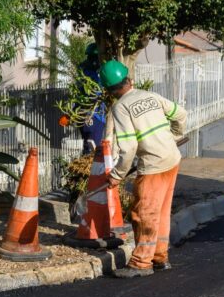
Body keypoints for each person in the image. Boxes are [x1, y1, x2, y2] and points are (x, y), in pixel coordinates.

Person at [99, 60, 187, 278]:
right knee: (162, 211)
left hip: (154, 166)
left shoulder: (121, 107)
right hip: (172, 159)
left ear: (110, 90)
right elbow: (181, 114)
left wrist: (116, 175)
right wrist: (172, 137)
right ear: (129, 80)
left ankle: (140, 263)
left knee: (144, 214)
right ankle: (160, 257)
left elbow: (128, 148)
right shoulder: (150, 96)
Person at [75, 43, 107, 154]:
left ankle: (89, 164)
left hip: (82, 112)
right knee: (93, 146)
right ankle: (92, 168)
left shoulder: (83, 69)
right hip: (93, 114)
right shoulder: (91, 72)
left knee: (88, 144)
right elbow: (96, 92)